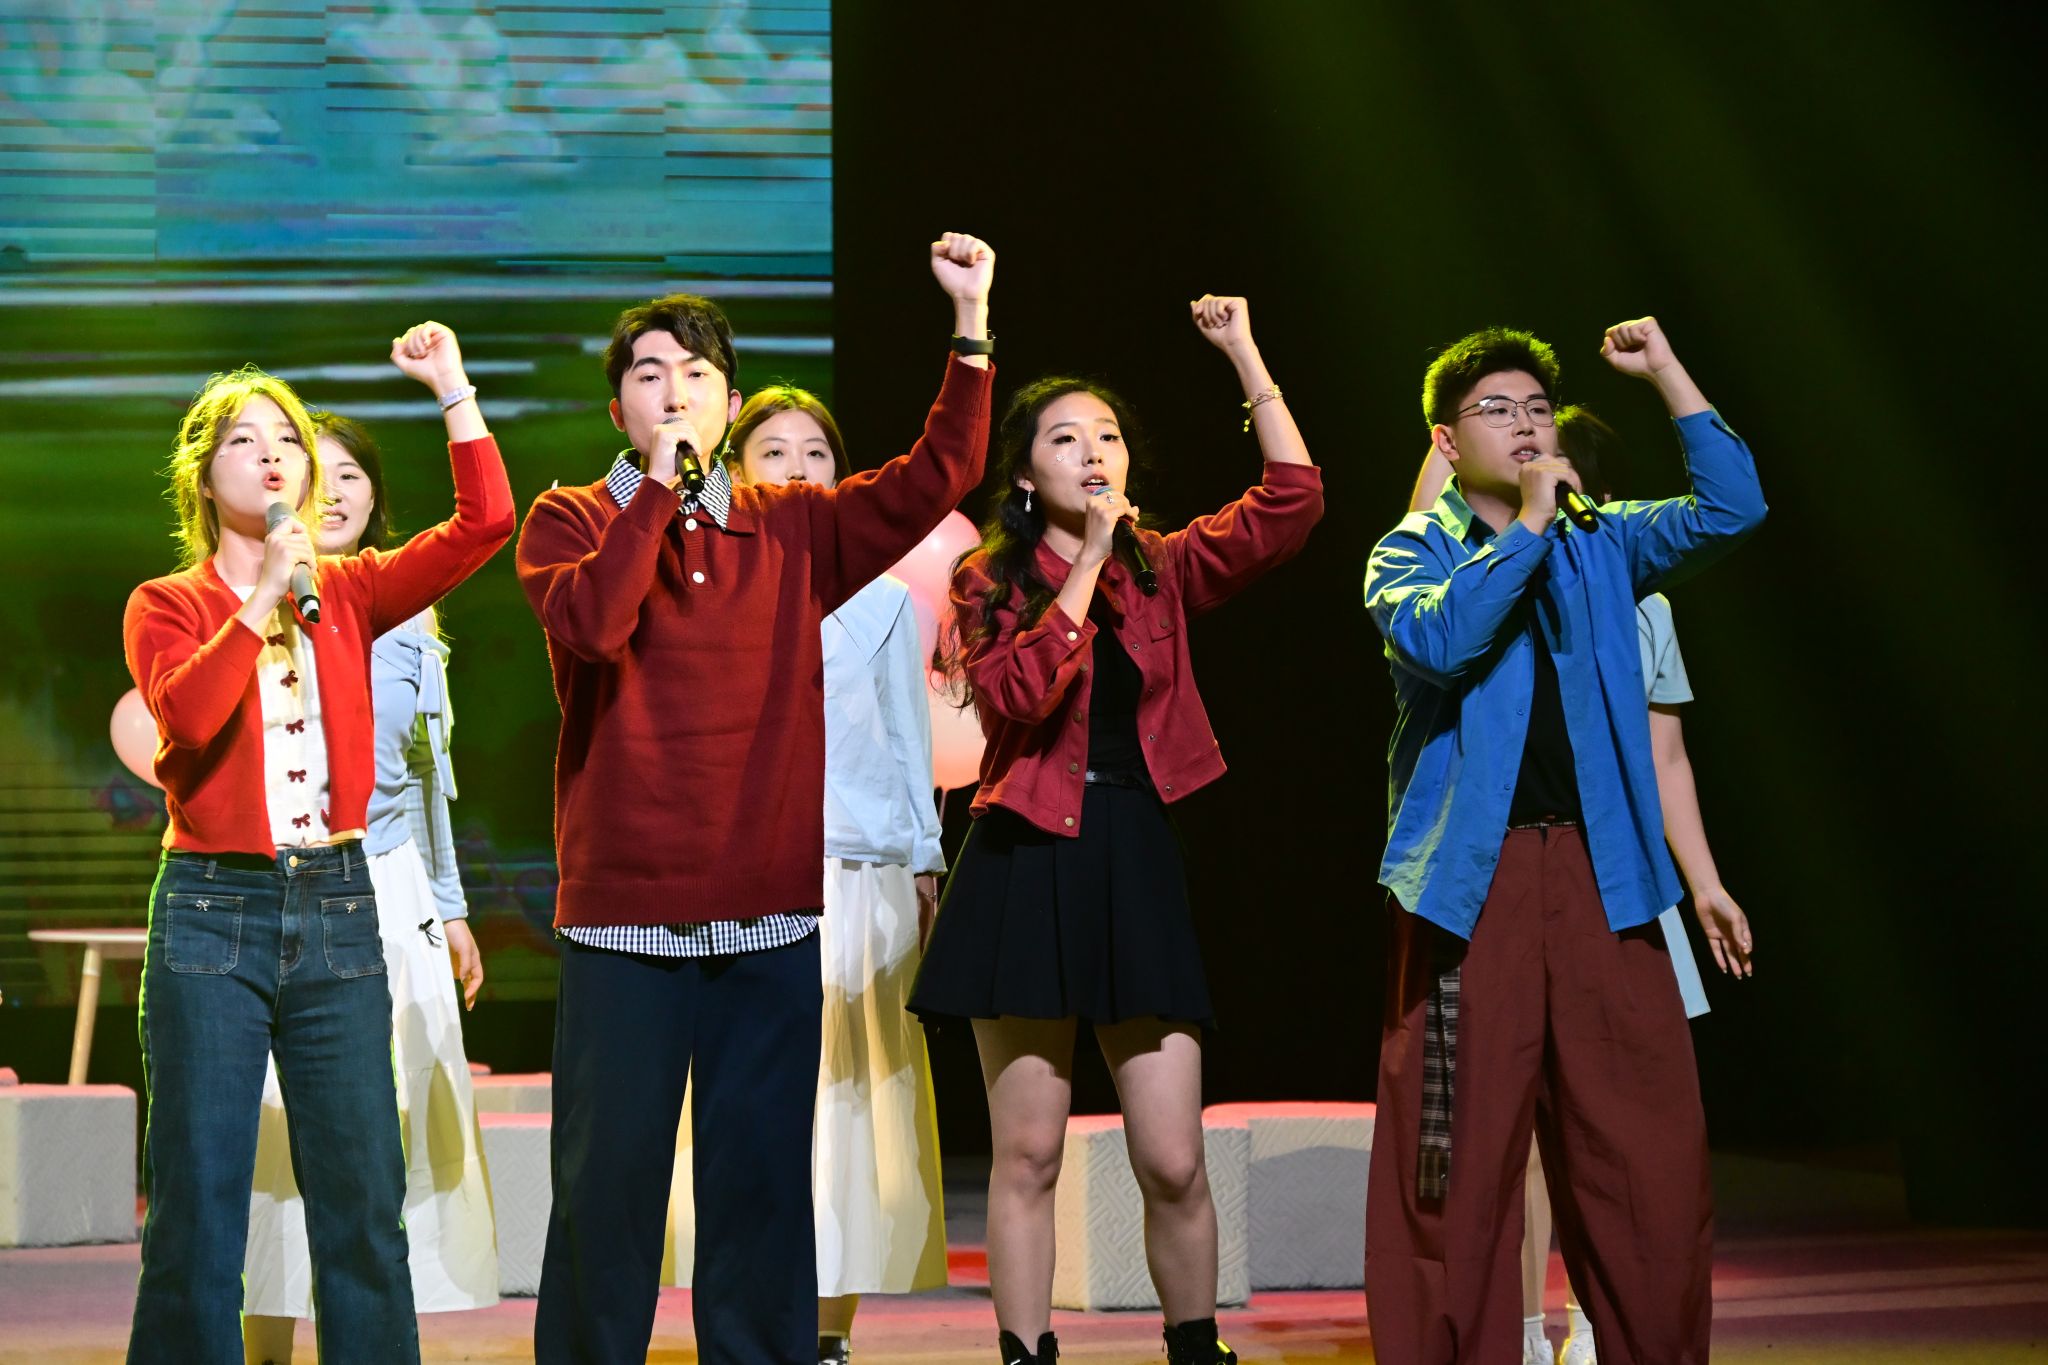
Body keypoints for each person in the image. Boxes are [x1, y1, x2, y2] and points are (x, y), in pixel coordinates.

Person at [514, 233, 996, 1365]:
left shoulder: (793, 524)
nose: (672, 390)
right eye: (648, 374)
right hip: (623, 919)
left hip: (767, 914)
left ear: (730, 403)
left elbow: (935, 476)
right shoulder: (571, 518)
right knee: (607, 1190)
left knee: (762, 1190)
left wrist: (970, 325)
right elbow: (596, 624)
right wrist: (655, 491)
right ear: (621, 408)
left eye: (695, 374)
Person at [911, 295, 1324, 1365]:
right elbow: (1017, 697)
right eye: (1065, 438)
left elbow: (1292, 503)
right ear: (1022, 475)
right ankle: (1024, 1354)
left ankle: (1195, 1347)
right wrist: (1090, 561)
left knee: (1174, 1157)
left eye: (1107, 436)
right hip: (1024, 860)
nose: (1093, 453)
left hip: (1132, 853)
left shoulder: (1163, 565)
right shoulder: (989, 579)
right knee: (1028, 1154)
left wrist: (1244, 351)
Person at [1363, 319, 1766, 1365]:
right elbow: (1442, 638)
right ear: (1445, 441)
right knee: (1453, 1163)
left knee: (1645, 1156)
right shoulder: (1411, 550)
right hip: (1471, 888)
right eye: (1497, 410)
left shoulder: (1606, 540)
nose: (1526, 426)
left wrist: (1667, 372)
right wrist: (1531, 528)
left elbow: (1734, 506)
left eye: (1538, 409)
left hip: (1605, 874)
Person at [120, 323, 515, 1363]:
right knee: (198, 1201)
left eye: (287, 440)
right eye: (245, 441)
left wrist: (453, 388)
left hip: (338, 903)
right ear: (203, 476)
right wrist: (259, 599)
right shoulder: (167, 603)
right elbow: (185, 718)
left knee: (362, 1198)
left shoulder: (349, 589)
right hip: (215, 907)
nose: (273, 456)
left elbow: (485, 523)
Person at [666, 387, 950, 1365]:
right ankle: (750, 1323)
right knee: (759, 1105)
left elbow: (908, 743)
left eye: (815, 452)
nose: (796, 468)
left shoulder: (885, 600)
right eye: (774, 451)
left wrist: (922, 859)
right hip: (746, 876)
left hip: (861, 872)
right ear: (736, 472)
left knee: (855, 1114)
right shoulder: (708, 584)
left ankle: (827, 1332)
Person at [242, 411, 499, 1364]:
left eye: (354, 475)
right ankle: (266, 1343)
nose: (339, 490)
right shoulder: (249, 598)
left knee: (387, 1132)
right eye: (321, 473)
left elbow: (428, 775)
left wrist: (452, 905)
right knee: (278, 1137)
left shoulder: (409, 611)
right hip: (284, 884)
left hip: (394, 884)